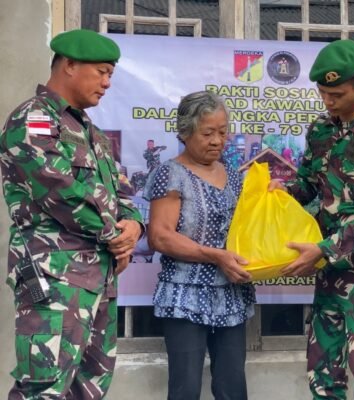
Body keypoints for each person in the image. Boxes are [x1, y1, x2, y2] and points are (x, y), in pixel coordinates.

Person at [0, 29, 144, 398]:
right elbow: (59, 190)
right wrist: (115, 235)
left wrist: (134, 226)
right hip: (54, 277)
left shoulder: (90, 132)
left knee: (89, 388)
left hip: (99, 279)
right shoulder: (33, 120)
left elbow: (121, 190)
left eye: (110, 74)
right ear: (69, 65)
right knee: (44, 387)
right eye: (101, 72)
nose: (107, 83)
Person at [268, 39, 354, 399]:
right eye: (323, 93)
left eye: (337, 94)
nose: (328, 101)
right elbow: (310, 185)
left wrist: (325, 248)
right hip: (328, 270)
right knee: (322, 371)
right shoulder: (320, 130)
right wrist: (281, 193)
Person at [144, 91, 256, 400]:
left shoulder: (234, 177)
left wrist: (268, 195)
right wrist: (215, 256)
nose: (218, 140)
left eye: (222, 132)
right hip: (184, 295)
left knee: (232, 387)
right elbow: (160, 236)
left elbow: (250, 225)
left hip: (231, 294)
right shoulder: (171, 173)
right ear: (184, 132)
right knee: (185, 389)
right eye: (208, 133)